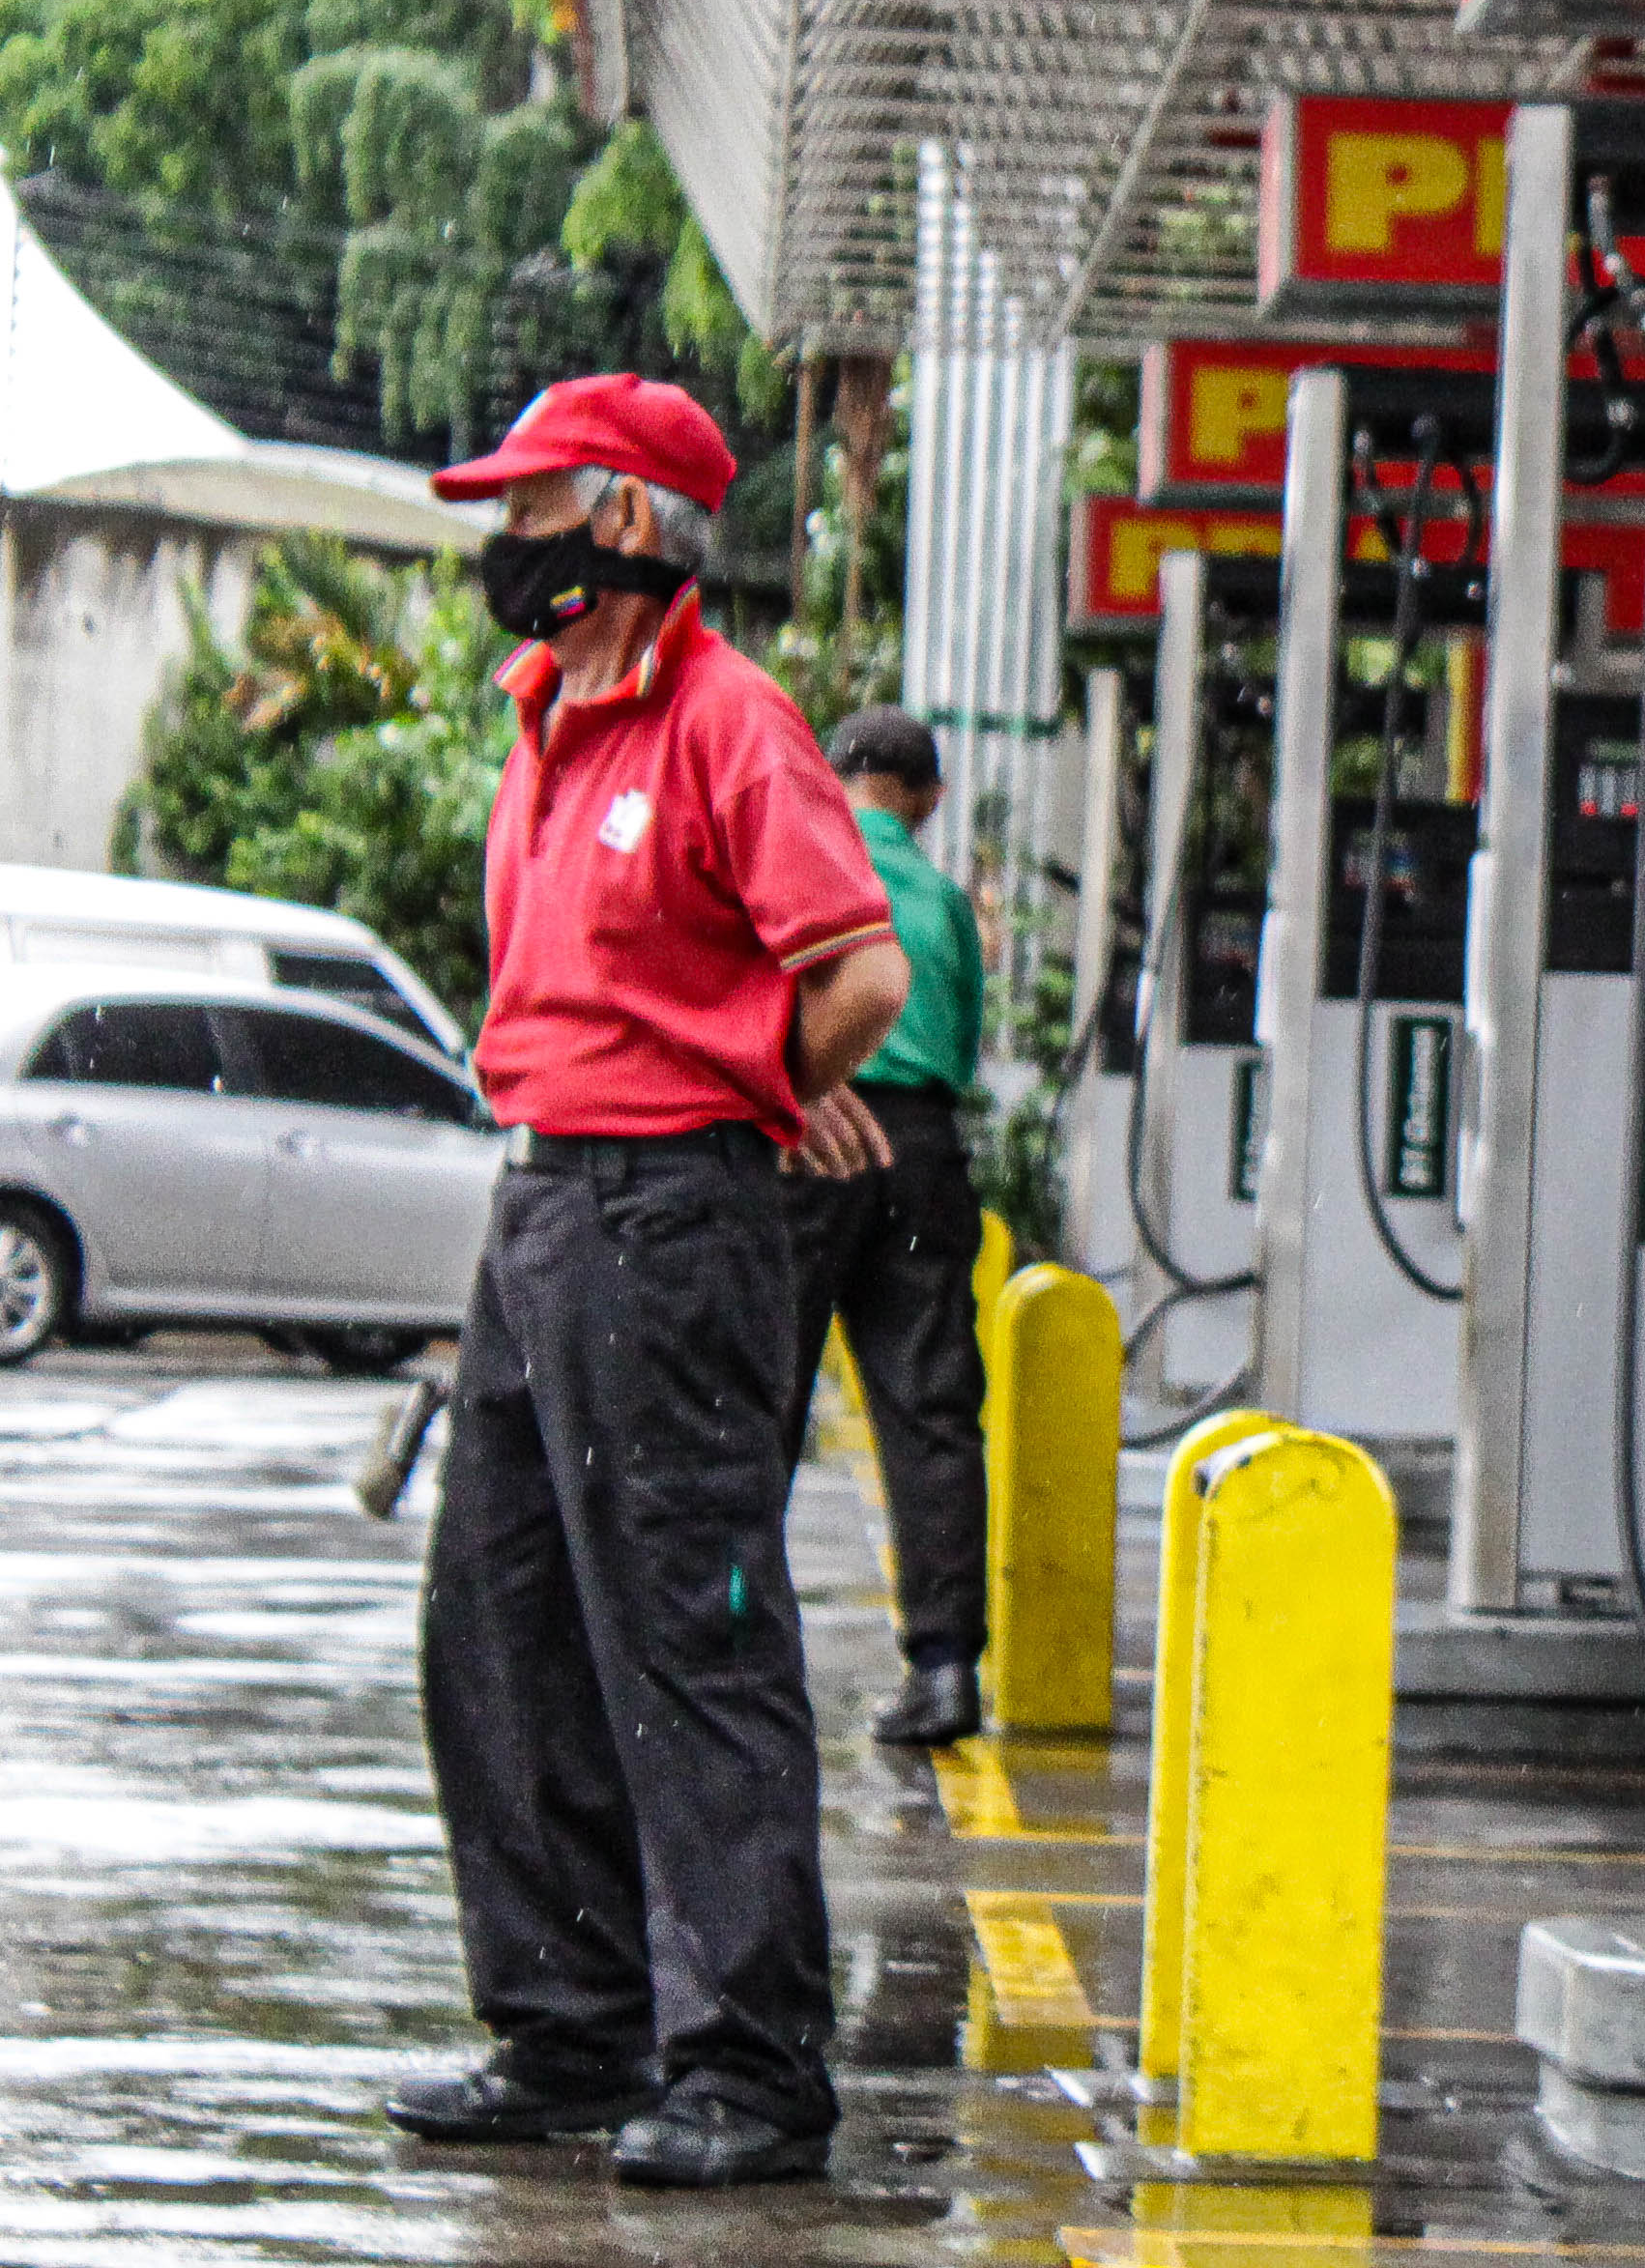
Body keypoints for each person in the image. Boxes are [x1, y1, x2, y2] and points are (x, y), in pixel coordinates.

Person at [386, 376, 909, 2192]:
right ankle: (567, 2026)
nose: (501, 543)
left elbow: (859, 969)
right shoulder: (548, 708)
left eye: (530, 508)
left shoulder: (728, 720)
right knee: (499, 1627)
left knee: (690, 1637)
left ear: (621, 528)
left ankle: (752, 2068)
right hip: (537, 1203)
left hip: (663, 1224)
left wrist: (753, 1092)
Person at [786, 703, 995, 1748]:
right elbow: (961, 1039)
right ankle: (947, 1671)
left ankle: (733, 1640)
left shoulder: (804, 863)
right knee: (928, 1409)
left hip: (812, 1131)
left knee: (760, 1394)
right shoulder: (946, 900)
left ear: (832, 777)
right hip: (917, 1148)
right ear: (926, 797)